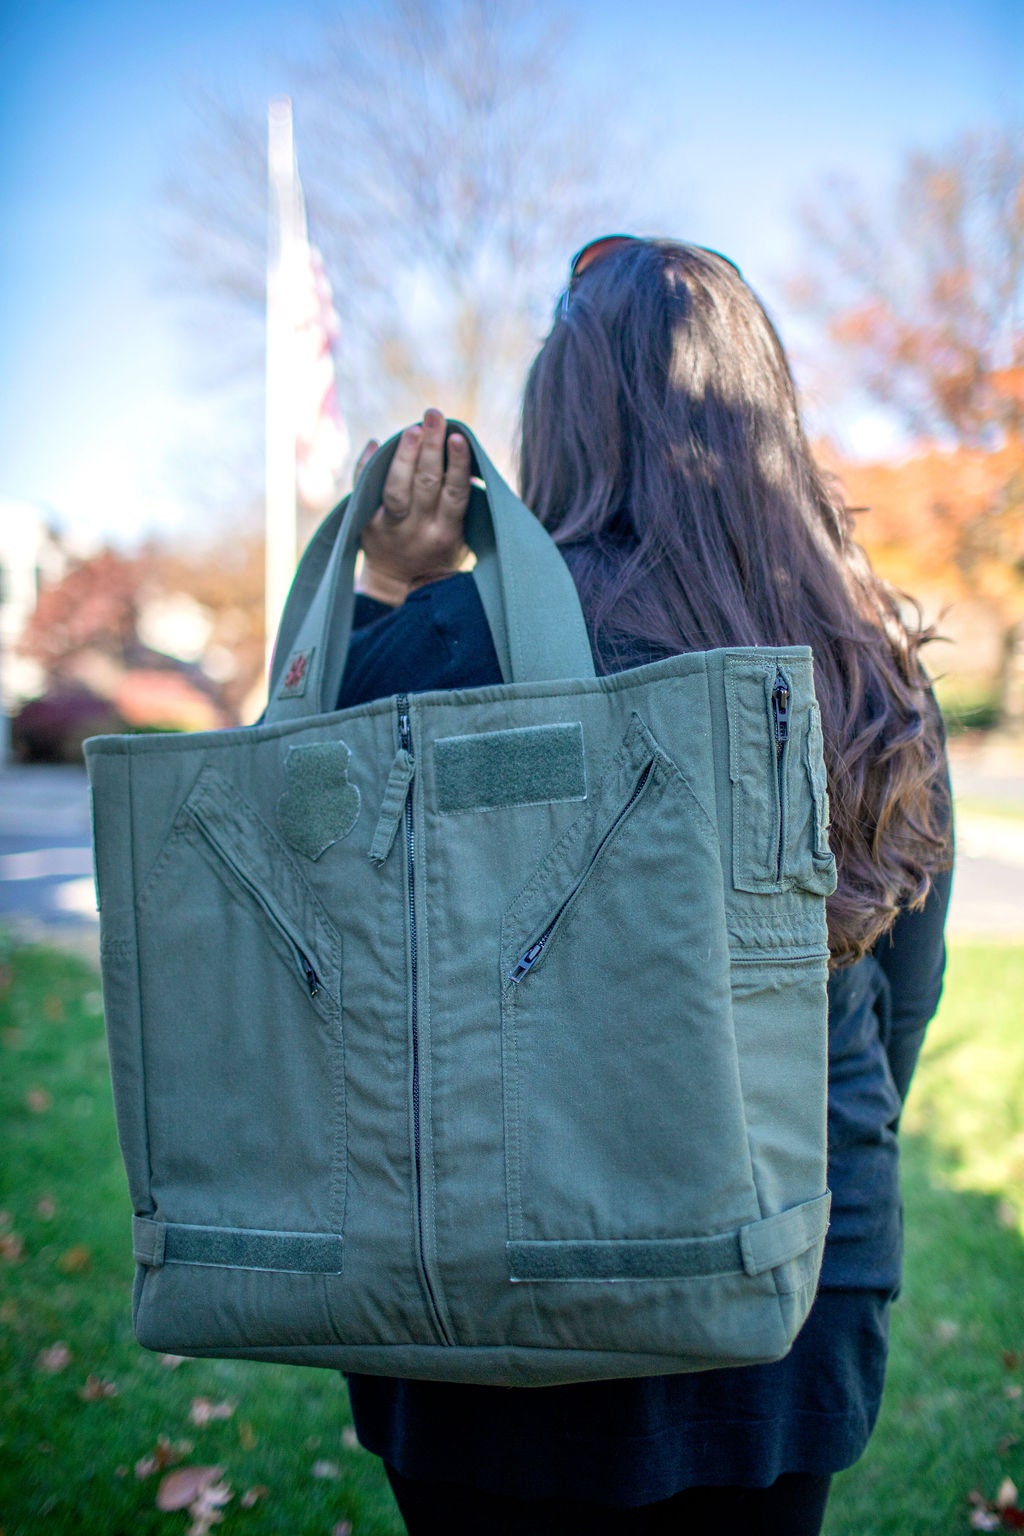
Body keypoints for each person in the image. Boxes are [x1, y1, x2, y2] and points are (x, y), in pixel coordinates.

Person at [335, 238, 953, 1536]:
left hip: (482, 1271)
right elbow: (905, 993)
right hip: (788, 1269)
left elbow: (338, 962)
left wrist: (386, 586)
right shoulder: (864, 664)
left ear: (559, 422)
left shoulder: (441, 645)